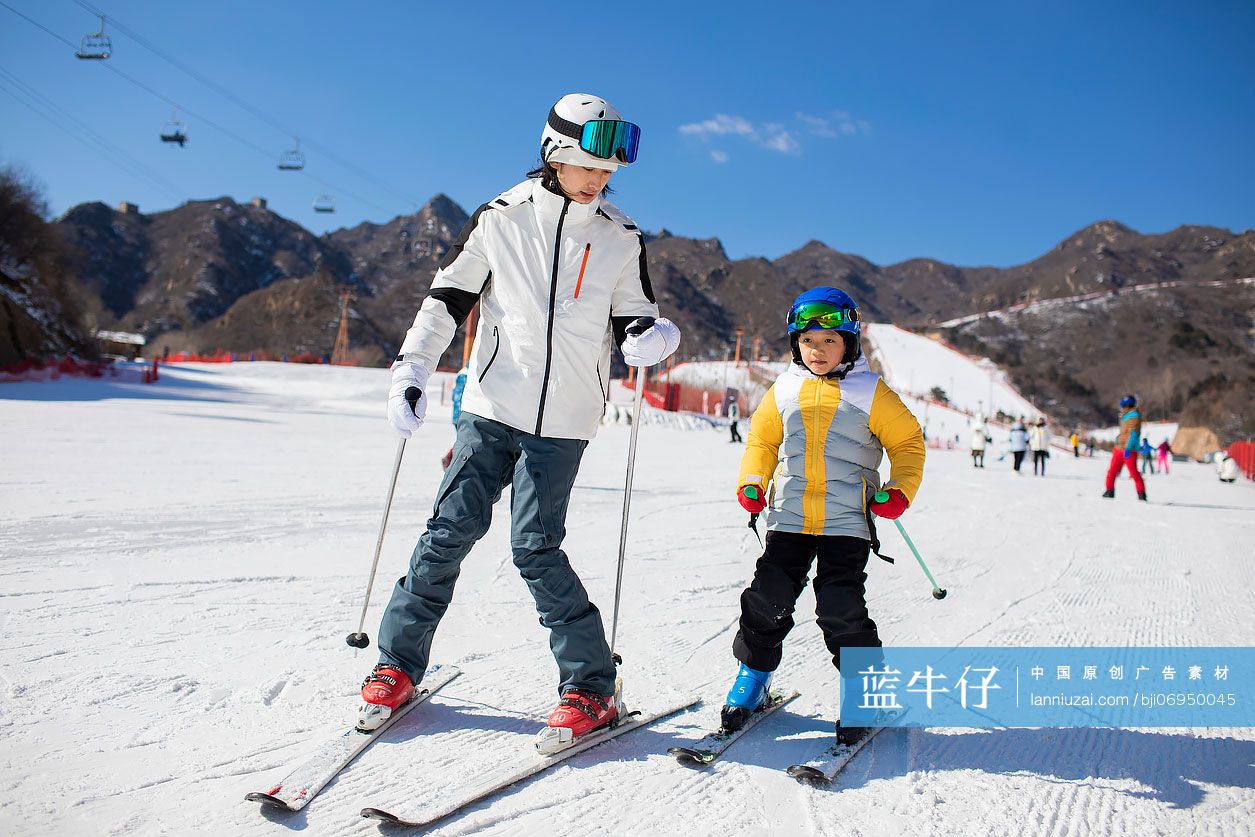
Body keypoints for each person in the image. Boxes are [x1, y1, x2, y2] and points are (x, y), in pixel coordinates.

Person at [358, 94, 682, 742]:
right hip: (489, 405)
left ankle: (591, 686)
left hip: (564, 419)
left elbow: (634, 320)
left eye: (607, 171)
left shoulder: (621, 238)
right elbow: (446, 299)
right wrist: (412, 368)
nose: (599, 179)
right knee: (447, 531)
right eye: (588, 165)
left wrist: (653, 337)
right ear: (555, 154)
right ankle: (396, 665)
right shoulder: (500, 218)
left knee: (533, 547)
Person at [722, 287, 924, 745]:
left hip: (847, 523)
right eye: (808, 341)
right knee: (765, 600)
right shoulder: (784, 389)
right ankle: (753, 676)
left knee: (841, 609)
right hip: (790, 518)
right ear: (796, 343)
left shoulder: (871, 392)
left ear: (849, 343)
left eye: (829, 341)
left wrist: (898, 491)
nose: (818, 350)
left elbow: (908, 444)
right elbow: (761, 442)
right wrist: (752, 481)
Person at [1102, 394, 1147, 500]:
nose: (1122, 408)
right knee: (1112, 471)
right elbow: (1123, 433)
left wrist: (1128, 447)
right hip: (1119, 448)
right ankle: (1109, 491)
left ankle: (1141, 494)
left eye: (1123, 406)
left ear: (1128, 405)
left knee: (1133, 472)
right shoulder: (1126, 416)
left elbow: (1134, 434)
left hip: (1128, 450)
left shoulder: (1134, 416)